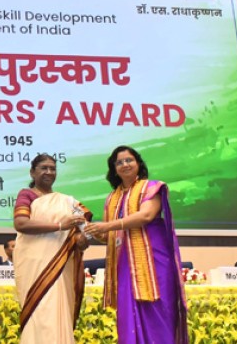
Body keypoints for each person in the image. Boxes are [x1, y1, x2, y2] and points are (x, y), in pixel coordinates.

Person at [85, 145, 188, 344]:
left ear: (138, 164)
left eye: (129, 160)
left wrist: (107, 226)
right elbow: (108, 235)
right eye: (119, 162)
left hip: (154, 261)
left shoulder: (152, 187)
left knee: (159, 310)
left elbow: (146, 215)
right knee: (128, 314)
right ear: (114, 169)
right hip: (124, 263)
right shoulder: (112, 198)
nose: (125, 164)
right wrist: (93, 231)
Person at [13, 154, 89, 343]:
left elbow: (84, 232)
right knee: (40, 315)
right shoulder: (27, 195)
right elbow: (21, 223)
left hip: (60, 268)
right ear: (32, 172)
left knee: (56, 313)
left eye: (52, 168)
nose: (49, 172)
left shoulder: (68, 202)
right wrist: (60, 226)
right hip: (35, 267)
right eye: (44, 168)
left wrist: (83, 240)